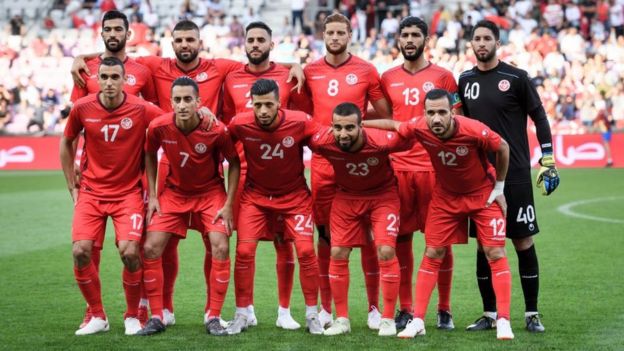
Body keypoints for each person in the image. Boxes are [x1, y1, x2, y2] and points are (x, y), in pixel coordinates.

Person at [71, 19, 304, 326]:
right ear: (172, 43)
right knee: (161, 243)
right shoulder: (155, 66)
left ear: (198, 42)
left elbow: (257, 58)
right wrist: (82, 57)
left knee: (215, 242)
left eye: (189, 39)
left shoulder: (220, 67)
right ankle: (162, 309)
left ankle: (213, 312)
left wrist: (294, 63)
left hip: (208, 164)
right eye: (179, 40)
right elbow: (117, 56)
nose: (184, 45)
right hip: (169, 165)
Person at [363, 89, 514, 340]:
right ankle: (418, 320)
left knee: (495, 252)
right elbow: (392, 124)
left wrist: (499, 186)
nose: (436, 119)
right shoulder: (420, 126)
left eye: (442, 112)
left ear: (452, 113)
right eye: (431, 113)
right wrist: (360, 123)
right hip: (445, 197)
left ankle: (504, 320)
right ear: (424, 113)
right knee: (433, 252)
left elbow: (503, 147)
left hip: (481, 195)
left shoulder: (473, 129)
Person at [458, 20, 560, 333]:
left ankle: (532, 314)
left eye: (487, 38)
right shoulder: (465, 80)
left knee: (522, 241)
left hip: (514, 174)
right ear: (472, 44)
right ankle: (489, 314)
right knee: (483, 246)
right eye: (477, 39)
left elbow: (539, 117)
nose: (482, 43)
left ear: (497, 43)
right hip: (479, 177)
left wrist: (548, 159)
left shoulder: (516, 77)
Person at [298, 12, 392, 329]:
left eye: (341, 32)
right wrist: (291, 66)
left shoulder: (366, 70)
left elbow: (386, 113)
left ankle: (374, 308)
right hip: (325, 165)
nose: (335, 37)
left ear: (350, 34)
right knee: (326, 238)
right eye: (330, 32)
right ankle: (327, 307)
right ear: (322, 35)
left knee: (368, 237)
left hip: (360, 163)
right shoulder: (310, 71)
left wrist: (360, 128)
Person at [59, 57, 164, 335]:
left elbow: (171, 122)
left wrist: (202, 114)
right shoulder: (82, 108)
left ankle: (132, 315)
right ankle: (97, 315)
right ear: (97, 79)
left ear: (124, 79)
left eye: (114, 77)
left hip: (128, 193)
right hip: (92, 192)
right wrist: (72, 184)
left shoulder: (141, 108)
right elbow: (67, 141)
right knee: (80, 251)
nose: (108, 83)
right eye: (103, 77)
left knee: (130, 252)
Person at [138, 77, 240, 336]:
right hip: (174, 193)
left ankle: (213, 316)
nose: (182, 105)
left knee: (220, 245)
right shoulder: (159, 126)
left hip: (209, 193)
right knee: (150, 247)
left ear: (198, 102)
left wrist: (228, 203)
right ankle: (158, 317)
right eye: (177, 100)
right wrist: (153, 195)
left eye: (187, 100)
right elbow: (149, 154)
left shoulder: (217, 130)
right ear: (170, 102)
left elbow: (234, 163)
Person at [380, 16, 461, 330]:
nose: (409, 40)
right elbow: (386, 119)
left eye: (415, 35)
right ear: (398, 40)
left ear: (426, 39)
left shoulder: (443, 76)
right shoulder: (387, 77)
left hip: (433, 170)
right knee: (400, 240)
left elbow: (457, 119)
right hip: (398, 169)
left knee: (440, 241)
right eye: (405, 35)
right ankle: (405, 307)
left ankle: (444, 309)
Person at [225, 79, 323, 335]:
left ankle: (312, 315)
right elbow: (220, 142)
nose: (263, 111)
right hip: (255, 197)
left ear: (279, 103)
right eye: (258, 105)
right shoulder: (240, 123)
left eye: (269, 104)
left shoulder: (300, 121)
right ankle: (242, 314)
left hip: (295, 197)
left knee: (304, 251)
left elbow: (326, 143)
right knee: (244, 251)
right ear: (252, 104)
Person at [222, 21, 300, 329]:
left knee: (285, 242)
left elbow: (298, 118)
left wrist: (296, 64)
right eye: (250, 39)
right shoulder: (231, 77)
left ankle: (284, 312)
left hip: (282, 175)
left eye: (261, 40)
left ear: (272, 43)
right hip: (244, 175)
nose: (255, 44)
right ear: (244, 43)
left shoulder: (289, 75)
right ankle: (246, 310)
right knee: (245, 246)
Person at [309, 102, 411, 336]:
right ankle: (342, 320)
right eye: (337, 128)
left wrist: (393, 123)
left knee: (385, 250)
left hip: (383, 197)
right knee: (337, 253)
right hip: (346, 197)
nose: (343, 134)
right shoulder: (322, 141)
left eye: (349, 128)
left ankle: (386, 319)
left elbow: (409, 134)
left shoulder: (381, 141)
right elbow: (301, 135)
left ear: (360, 126)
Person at [70, 10, 157, 104]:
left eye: (118, 29)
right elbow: (75, 109)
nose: (112, 34)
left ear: (128, 35)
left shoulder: (142, 71)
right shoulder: (85, 68)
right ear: (102, 35)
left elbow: (153, 106)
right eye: (107, 30)